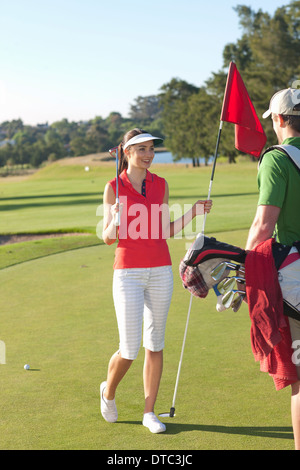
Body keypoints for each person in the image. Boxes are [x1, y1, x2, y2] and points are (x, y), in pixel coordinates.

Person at [100, 128, 212, 433]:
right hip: (128, 272)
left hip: (160, 269)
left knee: (155, 343)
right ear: (126, 152)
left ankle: (149, 412)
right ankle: (108, 391)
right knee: (129, 348)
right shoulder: (114, 188)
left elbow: (163, 230)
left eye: (151, 148)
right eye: (141, 149)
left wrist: (193, 212)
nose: (148, 154)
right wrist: (117, 221)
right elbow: (107, 238)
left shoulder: (160, 184)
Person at [245, 88, 300, 450]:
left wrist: (246, 264)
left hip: (294, 272)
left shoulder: (276, 158)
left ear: (279, 119)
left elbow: (264, 225)